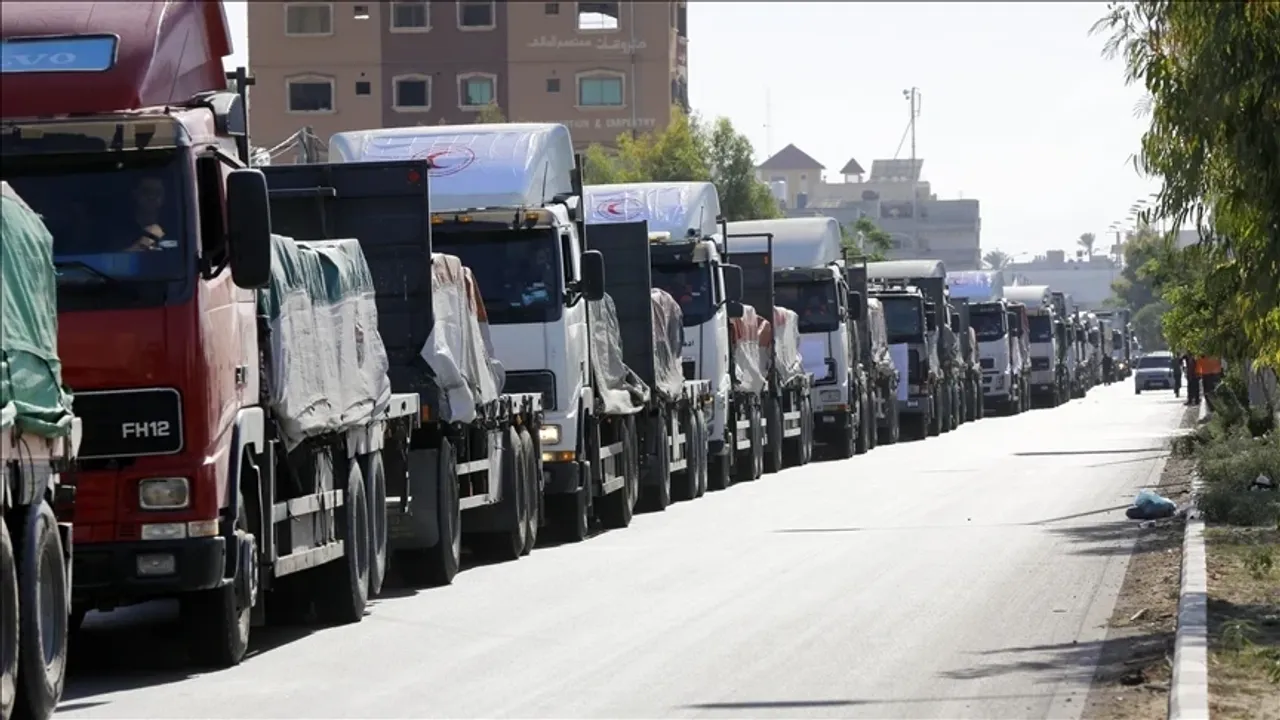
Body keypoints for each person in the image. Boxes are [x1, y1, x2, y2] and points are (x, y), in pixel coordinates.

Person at [124, 176, 173, 252]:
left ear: (164, 196)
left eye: (157, 192)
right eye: (146, 191)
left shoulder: (176, 228)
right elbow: (114, 257)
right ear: (135, 194)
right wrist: (145, 242)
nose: (151, 196)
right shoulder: (120, 229)